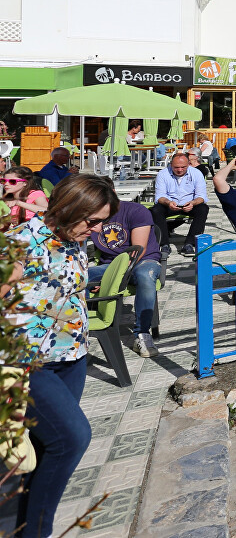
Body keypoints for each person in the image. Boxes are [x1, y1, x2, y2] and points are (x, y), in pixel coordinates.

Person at [5, 174, 113, 537]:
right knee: (72, 438)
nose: (96, 230)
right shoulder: (22, 242)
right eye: (92, 221)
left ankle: (22, 526)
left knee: (45, 447)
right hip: (28, 361)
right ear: (71, 209)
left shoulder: (72, 237)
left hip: (72, 357)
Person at [88, 192, 163, 357]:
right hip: (110, 265)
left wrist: (111, 281)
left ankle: (142, 334)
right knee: (77, 278)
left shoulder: (136, 211)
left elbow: (138, 251)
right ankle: (74, 329)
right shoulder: (87, 214)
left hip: (143, 260)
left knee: (146, 276)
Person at [151, 152, 209, 259]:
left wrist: (192, 203)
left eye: (183, 167)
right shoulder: (163, 174)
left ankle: (190, 243)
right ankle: (164, 244)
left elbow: (201, 196)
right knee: (155, 210)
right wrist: (168, 203)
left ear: (189, 164)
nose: (180, 170)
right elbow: (159, 196)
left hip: (190, 203)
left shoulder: (196, 173)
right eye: (176, 167)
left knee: (203, 209)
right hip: (169, 204)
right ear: (171, 164)